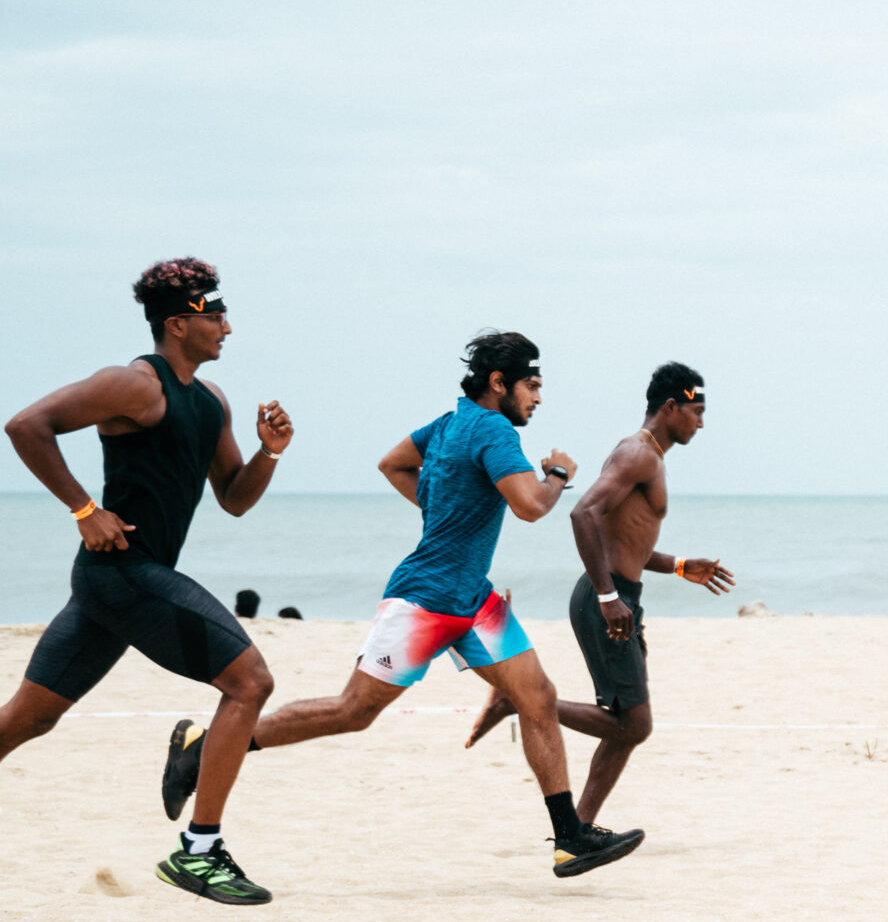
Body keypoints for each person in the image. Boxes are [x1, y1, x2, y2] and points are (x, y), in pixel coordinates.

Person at [165, 331, 646, 878]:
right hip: (425, 599)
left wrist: (446, 506)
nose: (538, 398)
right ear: (499, 383)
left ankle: (569, 837)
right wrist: (557, 474)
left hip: (473, 596)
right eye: (531, 386)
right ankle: (205, 747)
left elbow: (392, 463)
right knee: (353, 712)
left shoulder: (448, 423)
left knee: (537, 697)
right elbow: (532, 506)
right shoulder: (493, 429)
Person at [0, 258, 292, 905]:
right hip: (125, 574)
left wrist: (269, 451)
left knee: (26, 719)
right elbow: (25, 426)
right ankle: (200, 852)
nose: (227, 327)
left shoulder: (211, 401)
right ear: (179, 324)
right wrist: (84, 509)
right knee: (250, 683)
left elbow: (234, 498)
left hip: (118, 583)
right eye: (216, 315)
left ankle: (201, 849)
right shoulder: (134, 385)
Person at [466, 362, 735, 820]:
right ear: (672, 407)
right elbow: (583, 514)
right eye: (698, 412)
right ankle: (516, 701)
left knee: (625, 725)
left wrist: (679, 566)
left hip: (617, 597)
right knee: (634, 725)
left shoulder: (648, 456)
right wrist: (609, 598)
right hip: (606, 600)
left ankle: (582, 828)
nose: (702, 423)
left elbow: (625, 541)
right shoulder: (638, 454)